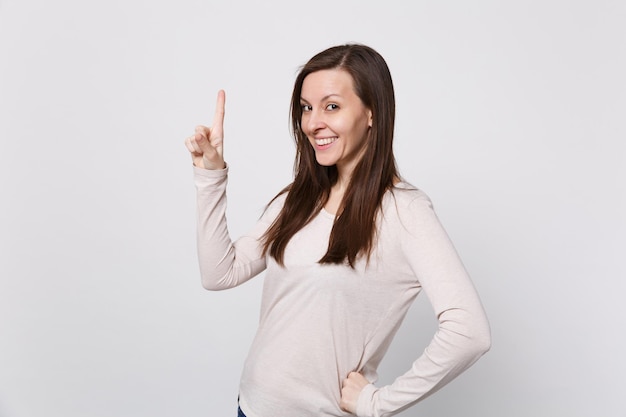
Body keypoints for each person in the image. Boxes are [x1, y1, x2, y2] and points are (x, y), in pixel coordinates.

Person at [184, 44, 491, 417]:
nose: (313, 123)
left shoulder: (405, 211)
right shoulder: (300, 199)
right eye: (306, 107)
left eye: (331, 106)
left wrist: (378, 403)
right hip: (249, 408)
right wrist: (210, 175)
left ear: (371, 113)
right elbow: (220, 273)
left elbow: (469, 331)